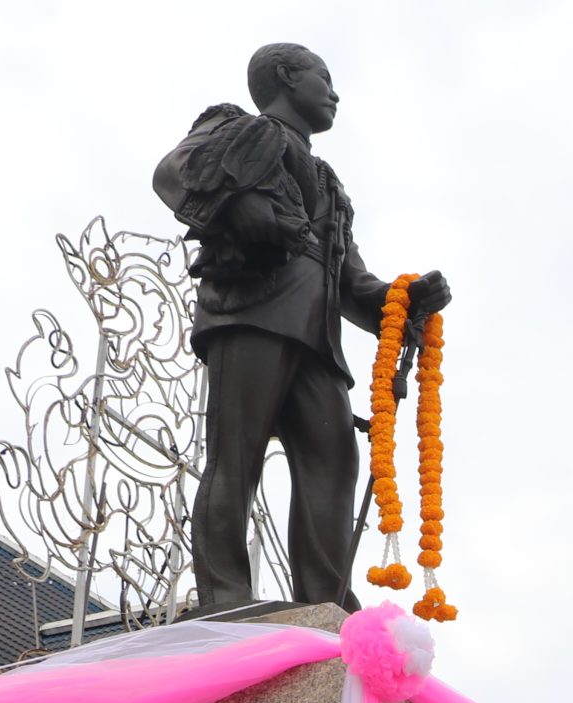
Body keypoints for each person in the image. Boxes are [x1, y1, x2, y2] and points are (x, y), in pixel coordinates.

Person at [154, 44, 452, 612]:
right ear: (288, 77)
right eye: (324, 77)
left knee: (334, 459)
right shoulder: (233, 127)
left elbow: (350, 282)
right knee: (235, 455)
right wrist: (238, 205)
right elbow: (172, 173)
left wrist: (406, 298)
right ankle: (227, 595)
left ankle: (324, 601)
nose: (334, 91)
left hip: (317, 339)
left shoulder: (327, 180)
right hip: (252, 312)